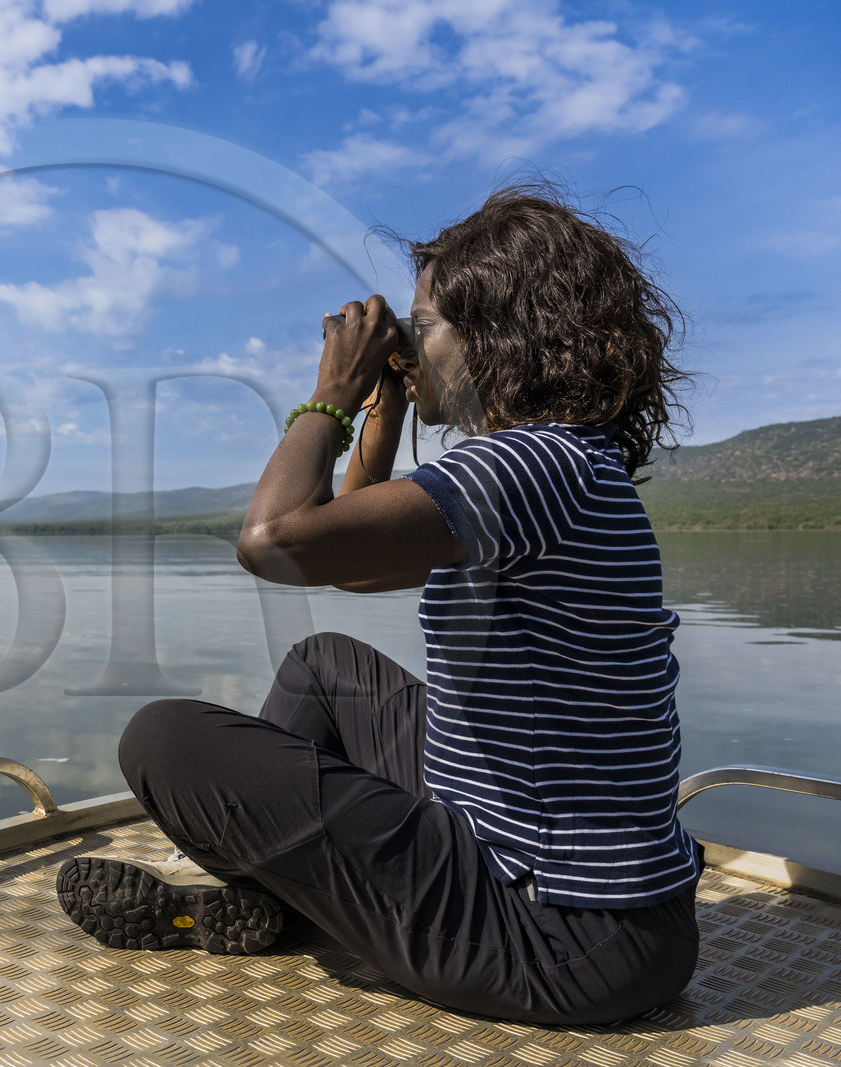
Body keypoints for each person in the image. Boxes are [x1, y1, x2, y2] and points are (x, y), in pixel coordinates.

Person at [56, 186, 701, 1025]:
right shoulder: (558, 464)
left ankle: (284, 902)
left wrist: (332, 388)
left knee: (163, 738)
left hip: (562, 939)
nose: (408, 342)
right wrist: (388, 406)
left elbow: (274, 538)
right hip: (603, 913)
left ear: (498, 336)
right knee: (325, 668)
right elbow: (351, 571)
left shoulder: (529, 465)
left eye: (424, 325)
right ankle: (284, 899)